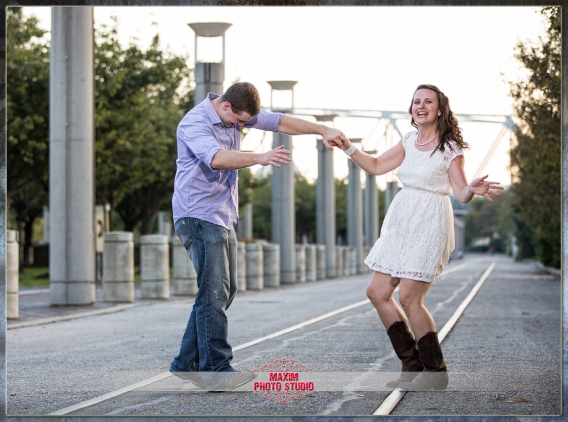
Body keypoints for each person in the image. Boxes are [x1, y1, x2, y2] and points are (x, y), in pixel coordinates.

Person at [170, 82, 344, 392]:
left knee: (223, 290)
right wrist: (260, 157)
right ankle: (216, 369)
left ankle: (187, 362)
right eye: (239, 122)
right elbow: (217, 158)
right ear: (226, 107)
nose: (242, 126)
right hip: (196, 214)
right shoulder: (194, 123)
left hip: (220, 214)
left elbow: (279, 121)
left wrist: (321, 129)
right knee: (214, 293)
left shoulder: (236, 112)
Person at [333, 84, 503, 391]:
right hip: (401, 221)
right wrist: (347, 146)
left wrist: (471, 190)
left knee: (410, 298)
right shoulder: (409, 140)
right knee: (377, 291)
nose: (420, 106)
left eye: (428, 102)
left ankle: (435, 372)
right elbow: (375, 165)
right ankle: (411, 365)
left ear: (440, 109)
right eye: (416, 102)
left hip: (430, 221)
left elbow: (461, 192)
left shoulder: (450, 148)